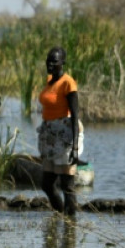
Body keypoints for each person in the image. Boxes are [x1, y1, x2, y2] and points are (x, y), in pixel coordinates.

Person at [37, 46, 82, 216]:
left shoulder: (68, 83)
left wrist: (75, 148)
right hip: (50, 135)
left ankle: (71, 222)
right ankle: (60, 214)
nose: (50, 64)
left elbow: (75, 115)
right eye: (48, 61)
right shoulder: (50, 80)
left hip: (65, 134)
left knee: (67, 184)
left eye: (54, 61)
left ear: (63, 62)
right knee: (47, 184)